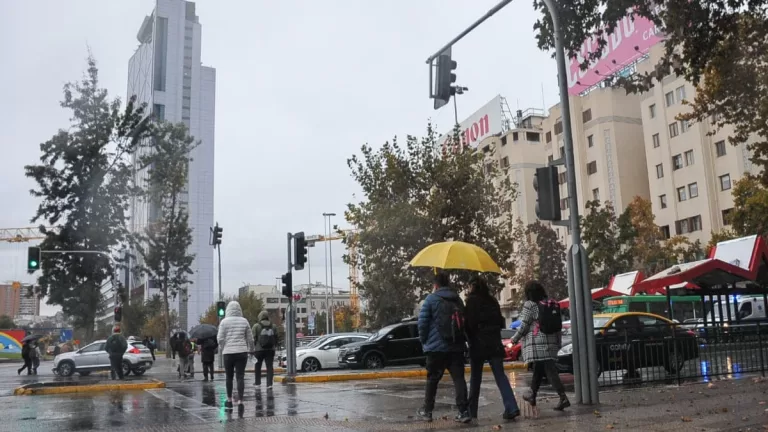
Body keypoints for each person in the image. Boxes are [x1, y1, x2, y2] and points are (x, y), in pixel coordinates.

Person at [417, 271, 471, 424]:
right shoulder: (457, 300)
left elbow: (422, 323)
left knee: (432, 379)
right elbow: (464, 321)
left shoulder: (431, 299)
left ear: (435, 285)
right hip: (456, 347)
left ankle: (427, 411)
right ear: (448, 284)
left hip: (436, 349)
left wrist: (424, 341)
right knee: (459, 379)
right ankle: (463, 412)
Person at [465, 276, 520, 421]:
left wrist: (470, 340)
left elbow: (468, 325)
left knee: (475, 378)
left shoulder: (471, 301)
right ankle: (512, 407)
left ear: (473, 286)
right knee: (500, 376)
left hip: (478, 344)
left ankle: (472, 412)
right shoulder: (492, 301)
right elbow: (500, 322)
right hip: (494, 343)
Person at [511, 280, 570, 411]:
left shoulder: (530, 305)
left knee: (549, 370)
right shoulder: (549, 304)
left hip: (538, 343)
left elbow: (524, 325)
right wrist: (558, 342)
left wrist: (515, 339)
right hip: (550, 341)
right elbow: (558, 326)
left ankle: (563, 397)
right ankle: (533, 395)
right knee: (539, 368)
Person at [217, 301, 255, 411]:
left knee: (229, 377)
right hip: (241, 352)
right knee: (240, 377)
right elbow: (250, 339)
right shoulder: (244, 321)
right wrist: (251, 350)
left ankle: (229, 400)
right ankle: (240, 401)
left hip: (228, 353)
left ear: (228, 310)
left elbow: (220, 339)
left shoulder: (224, 322)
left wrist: (223, 348)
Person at [252, 310, 278, 389]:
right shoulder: (273, 326)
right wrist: (274, 346)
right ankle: (269, 384)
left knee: (258, 365)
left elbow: (253, 338)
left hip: (259, 350)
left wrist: (254, 347)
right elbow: (276, 337)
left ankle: (257, 383)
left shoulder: (256, 326)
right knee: (269, 366)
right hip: (270, 350)